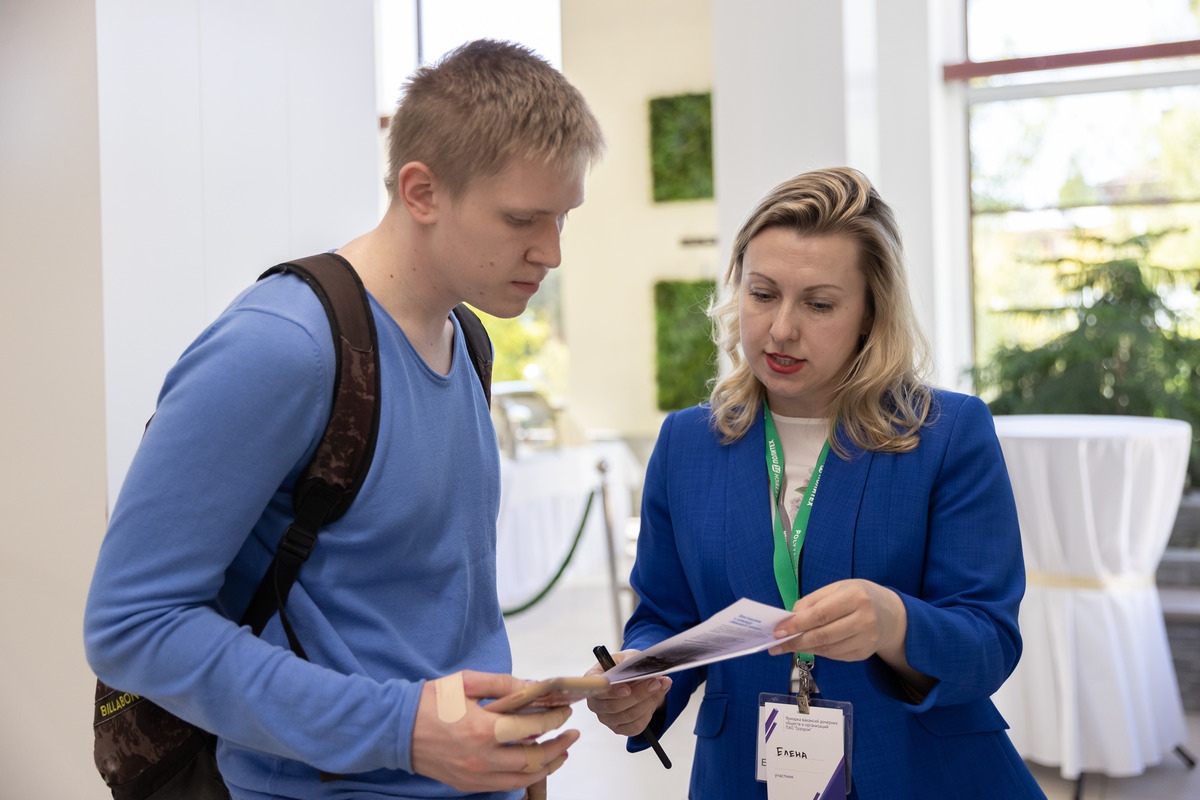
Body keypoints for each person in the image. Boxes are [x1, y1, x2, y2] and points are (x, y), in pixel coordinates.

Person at [84, 39, 604, 800]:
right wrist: (401, 730)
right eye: (523, 219)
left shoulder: (469, 339)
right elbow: (132, 624)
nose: (552, 251)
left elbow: (407, 618)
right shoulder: (283, 346)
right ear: (421, 191)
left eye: (563, 217)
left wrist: (495, 740)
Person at [585, 167, 1045, 798]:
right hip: (744, 775)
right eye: (762, 294)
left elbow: (990, 643)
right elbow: (666, 614)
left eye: (819, 304)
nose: (780, 329)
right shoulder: (687, 443)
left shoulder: (949, 434)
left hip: (922, 773)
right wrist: (644, 684)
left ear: (870, 313)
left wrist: (893, 623)